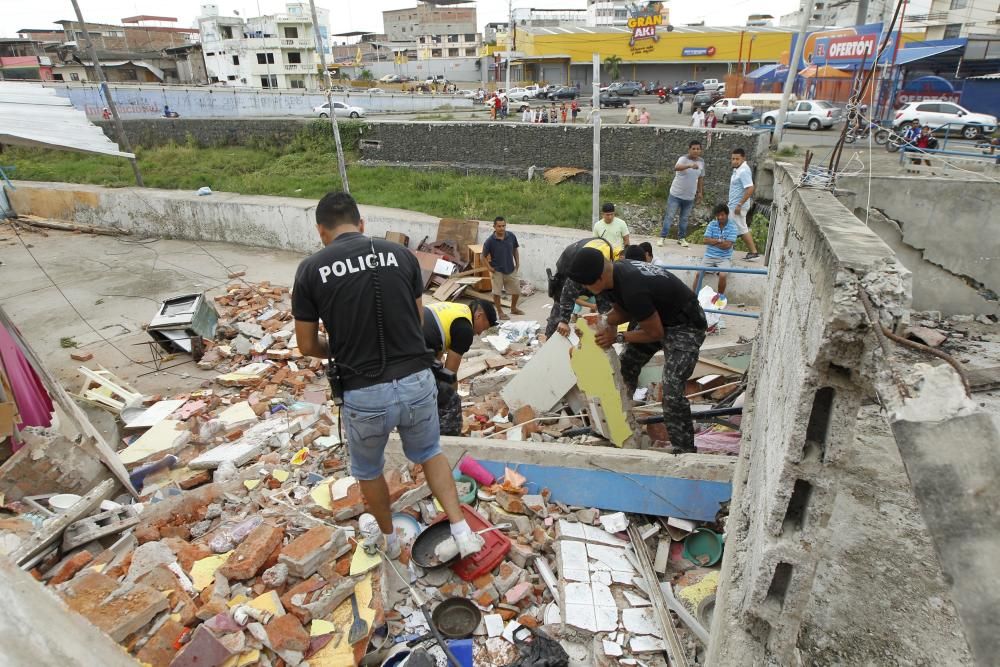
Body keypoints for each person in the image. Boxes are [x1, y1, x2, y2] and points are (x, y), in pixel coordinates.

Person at [292, 192, 484, 560]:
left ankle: (389, 539)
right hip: (416, 380)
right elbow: (416, 320)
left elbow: (306, 345)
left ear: (321, 231)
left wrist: (345, 348)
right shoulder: (400, 255)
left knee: (368, 470)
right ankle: (461, 530)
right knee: (430, 453)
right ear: (361, 224)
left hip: (364, 393)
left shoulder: (311, 269)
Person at [567, 248, 707, 454]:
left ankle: (684, 450)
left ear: (598, 279)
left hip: (685, 326)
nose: (585, 288)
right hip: (659, 318)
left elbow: (655, 333)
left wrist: (617, 337)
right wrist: (604, 321)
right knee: (624, 368)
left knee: (672, 390)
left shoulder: (633, 287)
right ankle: (620, 425)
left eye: (586, 285)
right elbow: (624, 309)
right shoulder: (614, 275)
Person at [423, 300, 498, 435]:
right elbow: (449, 373)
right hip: (416, 346)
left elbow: (438, 350)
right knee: (449, 399)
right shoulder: (465, 329)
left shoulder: (458, 310)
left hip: (406, 334)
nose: (480, 333)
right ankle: (447, 436)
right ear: (479, 316)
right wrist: (454, 398)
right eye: (484, 328)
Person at [544, 237, 619, 338]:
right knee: (559, 311)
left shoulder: (612, 267)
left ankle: (598, 340)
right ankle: (550, 338)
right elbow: (567, 294)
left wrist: (607, 325)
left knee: (605, 317)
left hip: (594, 266)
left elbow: (607, 304)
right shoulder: (578, 271)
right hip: (569, 266)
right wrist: (564, 320)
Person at [658, 140, 704, 248]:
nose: (696, 151)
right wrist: (689, 166)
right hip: (676, 194)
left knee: (684, 218)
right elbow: (676, 167)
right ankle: (662, 237)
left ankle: (681, 238)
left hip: (689, 196)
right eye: (693, 149)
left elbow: (701, 177)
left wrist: (700, 192)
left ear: (701, 150)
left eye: (698, 149)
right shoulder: (683, 159)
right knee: (670, 216)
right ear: (689, 149)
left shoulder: (701, 162)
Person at [482, 216, 523, 319]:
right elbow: (483, 256)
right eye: (499, 226)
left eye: (504, 226)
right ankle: (500, 313)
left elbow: (515, 250)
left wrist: (517, 263)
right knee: (497, 293)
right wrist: (489, 268)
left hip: (510, 269)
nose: (502, 228)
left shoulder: (511, 236)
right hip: (497, 270)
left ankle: (513, 308)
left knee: (517, 290)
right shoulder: (490, 241)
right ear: (494, 227)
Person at [694, 204, 738, 296]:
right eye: (718, 215)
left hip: (724, 257)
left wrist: (712, 242)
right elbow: (705, 240)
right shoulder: (712, 224)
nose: (720, 217)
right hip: (709, 256)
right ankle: (693, 297)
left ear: (727, 214)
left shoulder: (733, 227)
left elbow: (727, 246)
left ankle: (719, 297)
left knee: (722, 275)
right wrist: (719, 241)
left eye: (722, 215)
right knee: (698, 274)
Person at [729, 148, 760, 260]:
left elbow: (750, 188)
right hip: (734, 205)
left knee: (741, 228)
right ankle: (729, 250)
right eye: (733, 159)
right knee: (733, 227)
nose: (734, 161)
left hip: (738, 206)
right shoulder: (738, 169)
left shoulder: (743, 171)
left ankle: (754, 252)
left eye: (737, 159)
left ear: (743, 158)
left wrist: (739, 204)